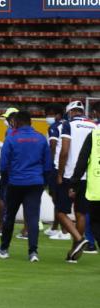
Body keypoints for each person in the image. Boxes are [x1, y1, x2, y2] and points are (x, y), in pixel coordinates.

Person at [0, 111, 52, 262]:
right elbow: (47, 164)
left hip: (15, 182)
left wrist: (6, 178)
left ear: (17, 122)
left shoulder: (11, 137)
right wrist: (43, 181)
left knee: (9, 216)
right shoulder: (40, 138)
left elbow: (3, 164)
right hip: (35, 182)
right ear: (30, 122)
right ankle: (33, 252)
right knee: (32, 217)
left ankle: (4, 249)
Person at [56, 100, 96, 262]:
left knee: (60, 211)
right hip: (90, 176)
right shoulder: (94, 126)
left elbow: (64, 151)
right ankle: (74, 253)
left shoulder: (68, 125)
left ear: (70, 112)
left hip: (70, 175)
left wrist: (59, 172)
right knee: (81, 213)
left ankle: (79, 240)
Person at [69, 103, 100, 260]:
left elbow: (82, 161)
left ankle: (91, 243)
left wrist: (73, 183)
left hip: (95, 187)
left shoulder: (94, 134)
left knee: (94, 221)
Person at [0, 107, 21, 237]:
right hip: (22, 170)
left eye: (7, 119)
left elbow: (7, 153)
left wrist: (3, 169)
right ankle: (27, 229)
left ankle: (1, 226)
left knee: (2, 197)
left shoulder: (10, 132)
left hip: (9, 170)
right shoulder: (27, 132)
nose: (5, 121)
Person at [43, 103, 71, 240]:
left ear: (57, 114)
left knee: (57, 198)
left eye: (49, 114)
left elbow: (52, 147)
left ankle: (64, 231)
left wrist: (49, 166)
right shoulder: (67, 124)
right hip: (67, 166)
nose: (47, 117)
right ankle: (55, 227)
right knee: (58, 198)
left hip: (56, 166)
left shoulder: (55, 127)